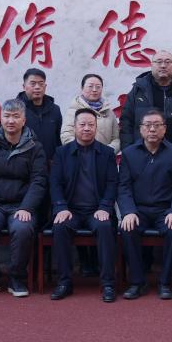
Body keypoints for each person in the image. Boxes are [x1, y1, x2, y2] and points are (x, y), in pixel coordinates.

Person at [0, 98, 48, 298]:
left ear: (24, 120)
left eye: (15, 116)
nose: (11, 121)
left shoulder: (35, 148)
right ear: (1, 119)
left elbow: (39, 181)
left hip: (21, 206)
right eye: (7, 116)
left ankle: (17, 277)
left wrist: (26, 208)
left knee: (22, 228)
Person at [48, 109, 120, 302]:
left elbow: (113, 183)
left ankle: (108, 284)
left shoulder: (106, 153)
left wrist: (105, 207)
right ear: (74, 127)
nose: (86, 128)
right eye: (82, 124)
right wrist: (61, 207)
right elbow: (55, 183)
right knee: (60, 226)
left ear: (96, 127)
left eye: (91, 125)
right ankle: (64, 282)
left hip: (97, 210)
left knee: (105, 227)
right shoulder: (62, 153)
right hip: (70, 210)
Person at [117, 108, 172, 300]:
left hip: (165, 211)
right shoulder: (129, 154)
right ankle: (137, 282)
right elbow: (123, 187)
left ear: (165, 128)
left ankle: (165, 282)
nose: (152, 129)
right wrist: (128, 212)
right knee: (127, 228)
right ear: (140, 129)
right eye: (148, 125)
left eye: (157, 125)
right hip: (138, 210)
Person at [120, 50, 172, 155]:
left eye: (168, 62)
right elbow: (126, 123)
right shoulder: (139, 90)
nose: (163, 65)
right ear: (151, 65)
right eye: (159, 62)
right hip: (144, 155)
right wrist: (128, 152)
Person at [61, 73, 120, 152]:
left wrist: (107, 152)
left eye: (98, 87)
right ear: (82, 88)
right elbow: (66, 135)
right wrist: (82, 152)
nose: (94, 90)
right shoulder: (74, 110)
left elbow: (116, 138)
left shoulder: (109, 112)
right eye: (90, 86)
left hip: (104, 157)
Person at [18, 68, 63, 161]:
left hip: (50, 163)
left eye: (41, 84)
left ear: (45, 86)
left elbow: (59, 139)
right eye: (33, 83)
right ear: (24, 86)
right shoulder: (16, 109)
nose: (37, 87)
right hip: (24, 163)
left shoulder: (55, 109)